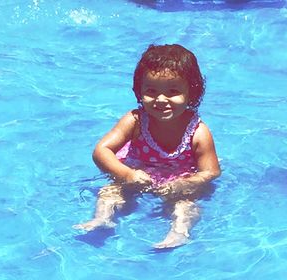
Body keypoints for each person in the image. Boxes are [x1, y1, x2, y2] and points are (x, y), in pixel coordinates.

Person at [73, 44, 221, 248]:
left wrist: (183, 185)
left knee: (184, 206)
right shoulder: (135, 120)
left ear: (191, 93)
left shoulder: (198, 132)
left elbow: (211, 171)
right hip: (135, 170)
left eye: (173, 91)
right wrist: (126, 175)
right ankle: (103, 219)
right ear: (138, 91)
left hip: (178, 177)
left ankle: (179, 233)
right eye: (151, 91)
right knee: (109, 192)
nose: (161, 99)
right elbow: (101, 151)